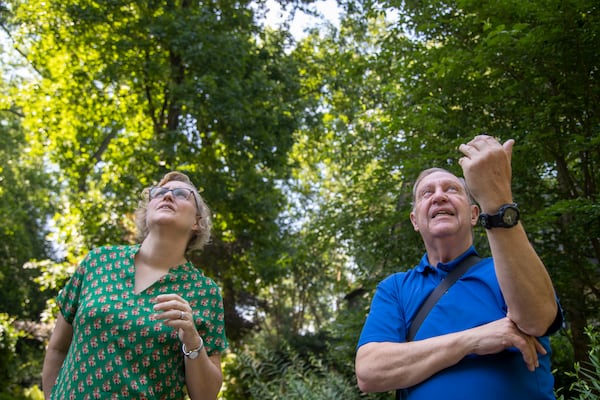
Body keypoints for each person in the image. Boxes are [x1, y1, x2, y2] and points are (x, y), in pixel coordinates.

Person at [355, 135, 563, 399]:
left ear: (475, 214)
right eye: (427, 193)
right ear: (415, 220)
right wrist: (474, 340)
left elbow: (539, 318)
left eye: (452, 189)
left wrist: (496, 198)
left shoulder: (506, 267)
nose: (439, 196)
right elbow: (370, 371)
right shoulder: (395, 288)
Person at [42, 171, 228, 400]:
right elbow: (57, 348)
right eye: (159, 193)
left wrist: (192, 339)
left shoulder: (205, 292)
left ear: (197, 222)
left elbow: (206, 396)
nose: (168, 196)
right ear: (147, 210)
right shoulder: (98, 262)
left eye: (181, 194)